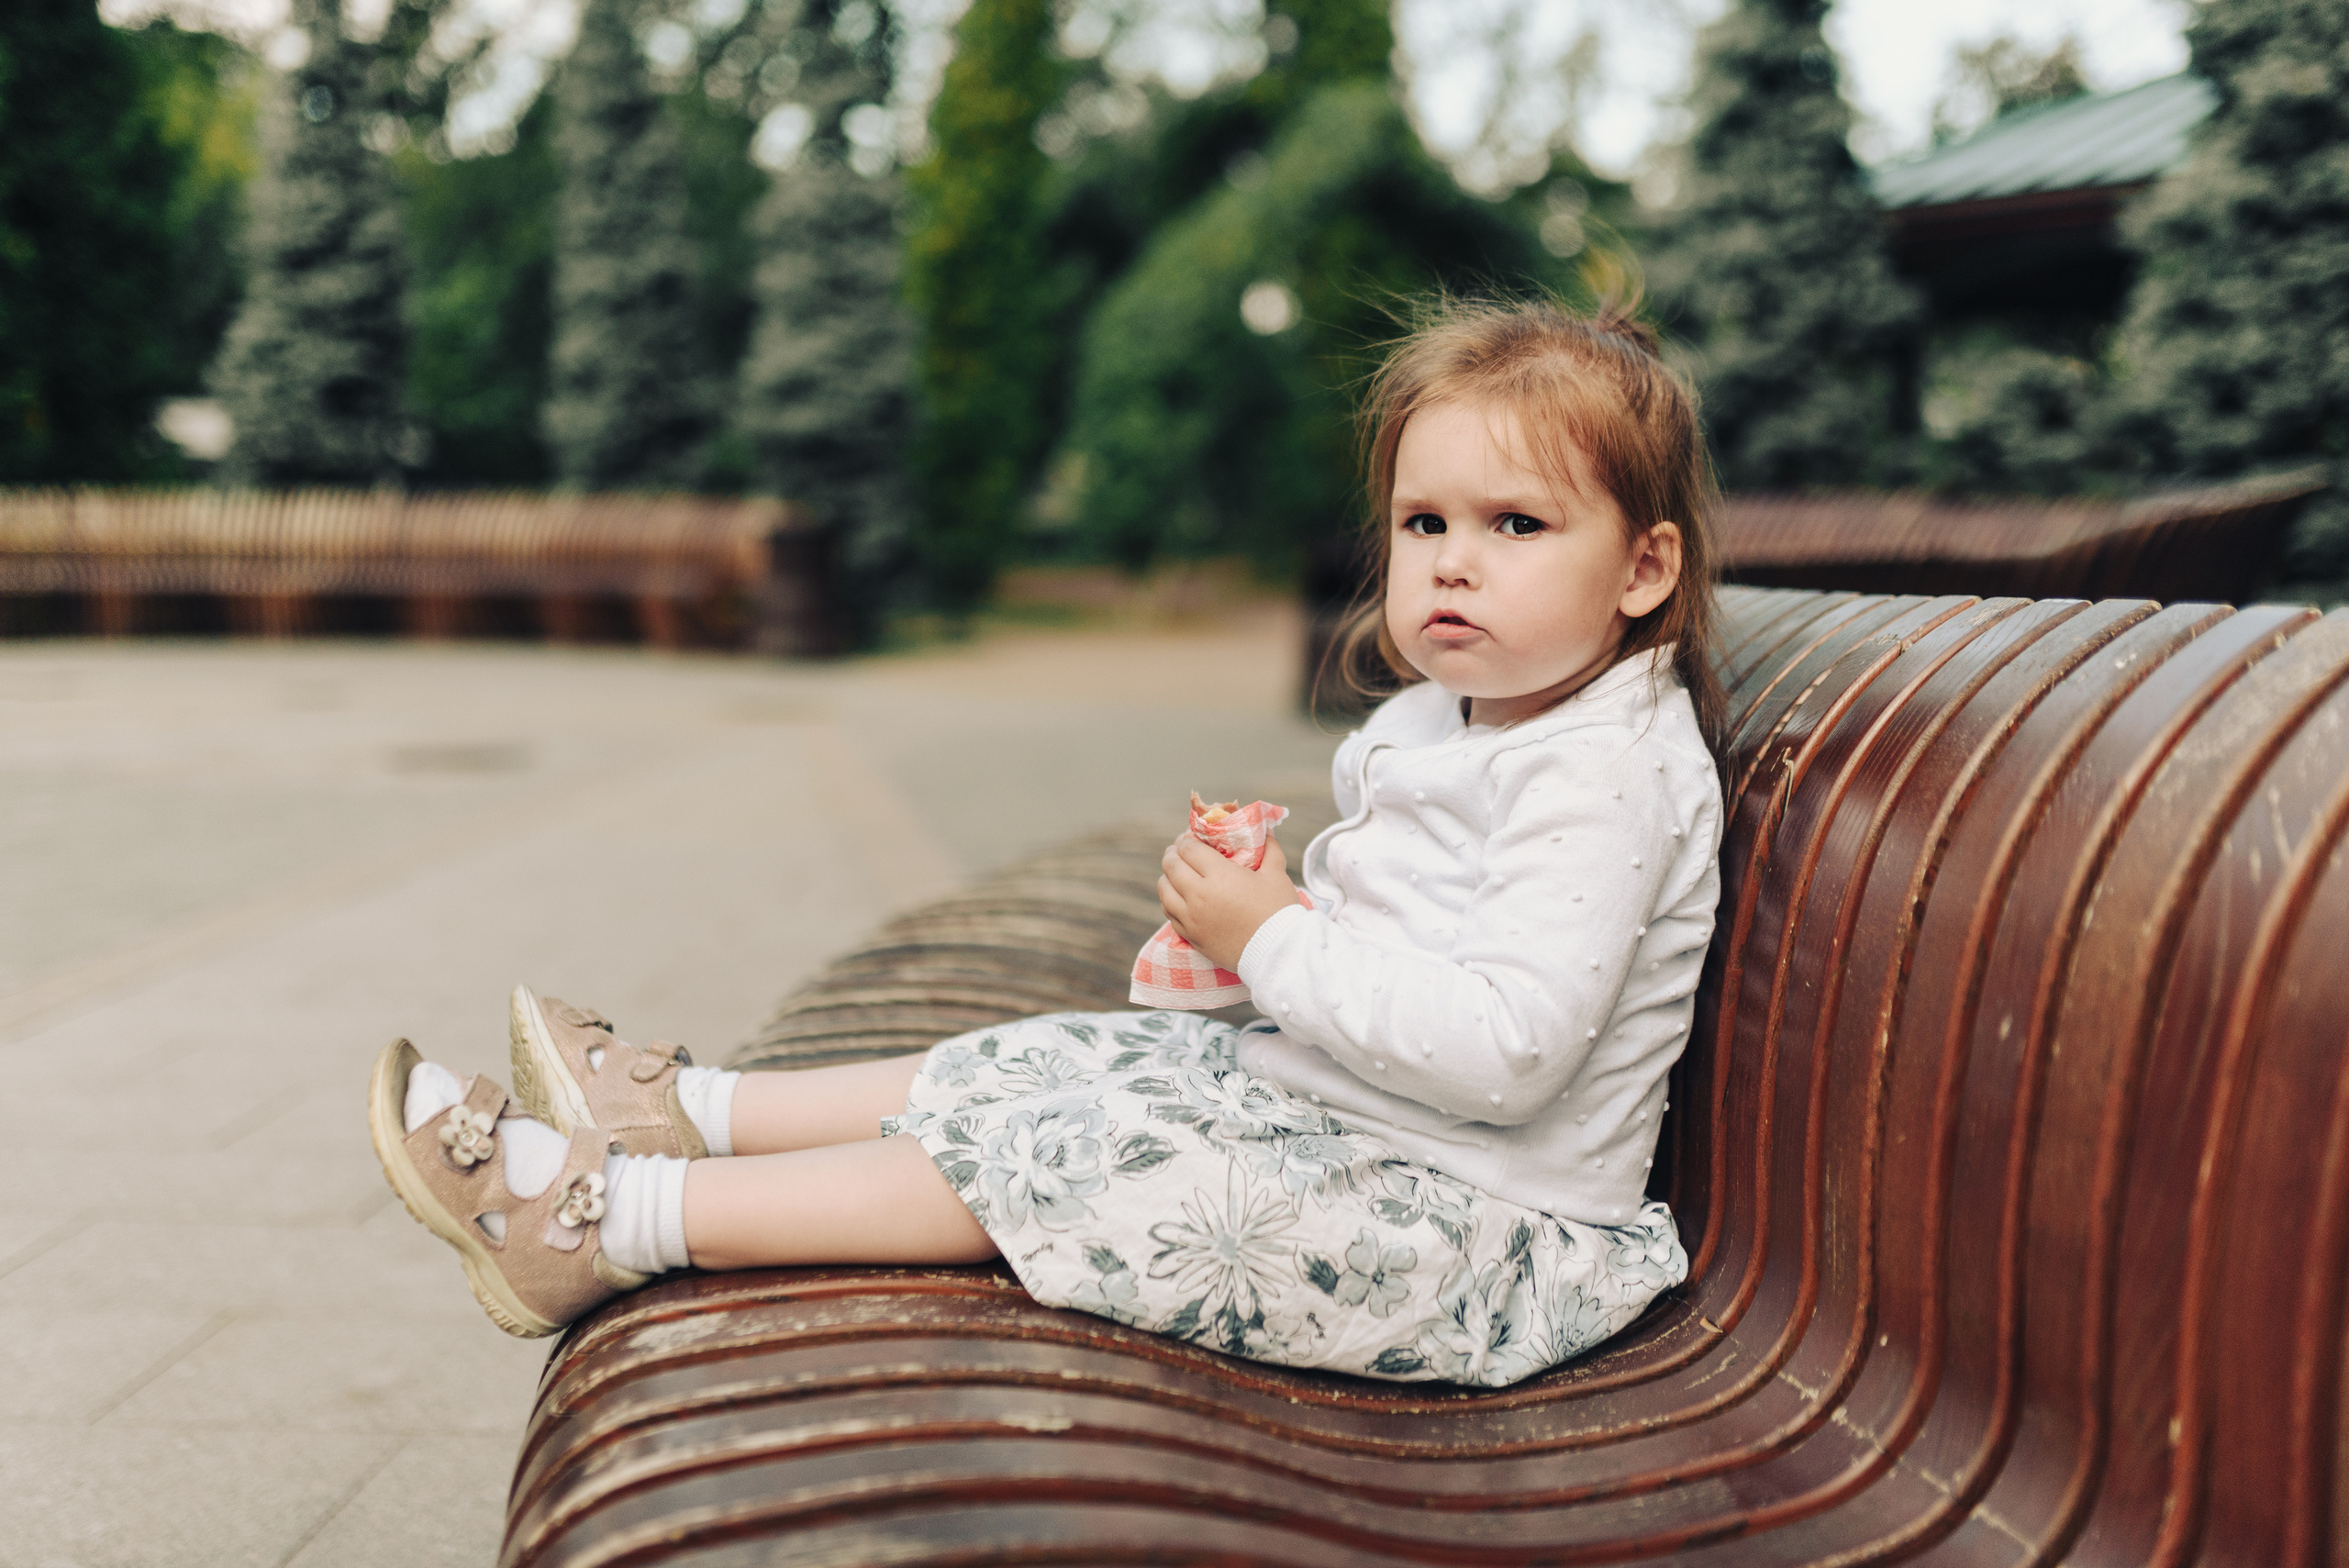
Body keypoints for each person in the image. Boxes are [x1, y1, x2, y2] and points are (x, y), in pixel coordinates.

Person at [367, 293, 1729, 1386]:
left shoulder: (1601, 773)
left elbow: (1503, 1049)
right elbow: (1400, 957)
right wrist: (1237, 954)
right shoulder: (1473, 716)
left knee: (1077, 1155)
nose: (1449, 562)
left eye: (1515, 525)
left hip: (1475, 1239)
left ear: (1645, 567)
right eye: (1423, 521)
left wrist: (1281, 938)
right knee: (1061, 1056)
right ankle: (691, 1111)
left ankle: (615, 1220)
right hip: (1378, 1143)